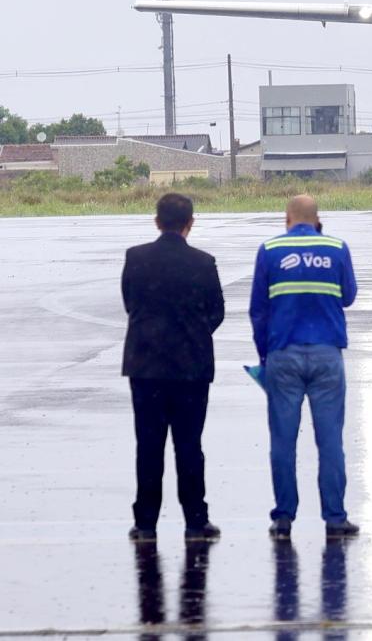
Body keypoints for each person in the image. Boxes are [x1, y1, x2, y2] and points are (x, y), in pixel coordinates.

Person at [249, 194, 359, 540]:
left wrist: (266, 356)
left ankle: (283, 518)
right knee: (330, 440)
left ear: (287, 219)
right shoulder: (337, 247)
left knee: (282, 441)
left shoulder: (269, 251)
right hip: (327, 353)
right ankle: (335, 517)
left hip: (284, 353)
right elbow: (349, 296)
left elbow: (258, 310)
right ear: (317, 219)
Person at [121, 192, 225, 543]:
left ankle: (145, 524)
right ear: (190, 223)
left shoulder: (135, 258)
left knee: (148, 446)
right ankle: (196, 520)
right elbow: (216, 312)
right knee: (189, 445)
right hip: (191, 369)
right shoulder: (203, 262)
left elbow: (130, 303)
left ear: (156, 221)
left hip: (145, 366)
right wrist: (193, 333)